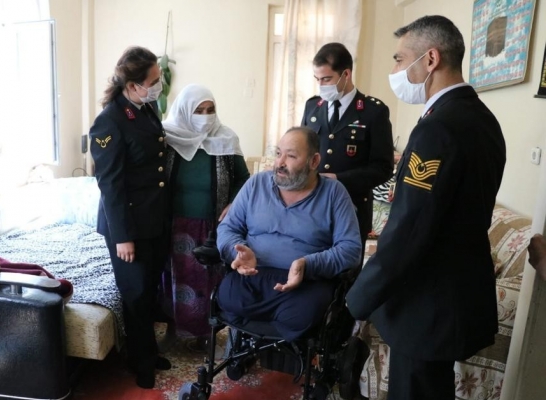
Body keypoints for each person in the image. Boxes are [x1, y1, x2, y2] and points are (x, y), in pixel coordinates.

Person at [345, 16, 506, 400]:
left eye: (400, 59)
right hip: (457, 294)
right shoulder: (483, 120)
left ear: (430, 59)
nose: (396, 71)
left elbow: (409, 228)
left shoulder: (438, 127)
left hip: (427, 303)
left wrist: (359, 297)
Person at [215, 126, 361, 341]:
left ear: (314, 161)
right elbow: (228, 227)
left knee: (303, 313)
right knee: (227, 296)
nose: (280, 163)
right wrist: (237, 251)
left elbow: (350, 249)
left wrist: (308, 264)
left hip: (305, 283)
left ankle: (276, 350)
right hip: (254, 275)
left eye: (291, 156)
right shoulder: (256, 184)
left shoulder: (334, 193)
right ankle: (250, 345)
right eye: (278, 153)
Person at [89, 46, 172, 389]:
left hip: (153, 219)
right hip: (128, 225)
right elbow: (110, 185)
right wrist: (123, 237)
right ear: (134, 85)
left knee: (149, 289)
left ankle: (147, 351)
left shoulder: (147, 108)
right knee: (135, 294)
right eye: (153, 81)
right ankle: (141, 363)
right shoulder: (108, 122)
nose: (159, 85)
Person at [160, 84, 250, 349]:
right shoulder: (168, 138)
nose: (205, 116)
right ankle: (174, 331)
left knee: (207, 281)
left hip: (213, 225)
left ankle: (206, 335)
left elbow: (244, 179)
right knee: (174, 280)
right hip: (175, 225)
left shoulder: (226, 139)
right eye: (198, 111)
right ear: (184, 111)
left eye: (210, 110)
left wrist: (234, 203)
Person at [301, 42, 394, 257]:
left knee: (347, 270)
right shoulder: (312, 107)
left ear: (346, 74)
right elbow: (302, 151)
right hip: (313, 207)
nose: (321, 86)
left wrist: (339, 179)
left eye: (326, 79)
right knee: (310, 265)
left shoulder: (373, 111)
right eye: (317, 79)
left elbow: (383, 168)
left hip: (353, 208)